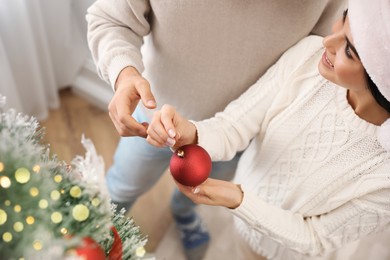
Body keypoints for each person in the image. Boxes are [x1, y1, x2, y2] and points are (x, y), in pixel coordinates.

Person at [86, 1, 347, 258]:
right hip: (150, 121)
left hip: (234, 140)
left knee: (194, 195)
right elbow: (110, 18)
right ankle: (96, 230)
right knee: (122, 186)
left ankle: (184, 215)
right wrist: (124, 74)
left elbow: (318, 58)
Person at [146, 0, 390, 259]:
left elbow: (315, 237)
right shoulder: (307, 57)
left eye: (349, 51)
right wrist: (194, 133)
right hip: (241, 221)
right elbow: (234, 124)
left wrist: (239, 200)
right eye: (344, 17)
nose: (328, 41)